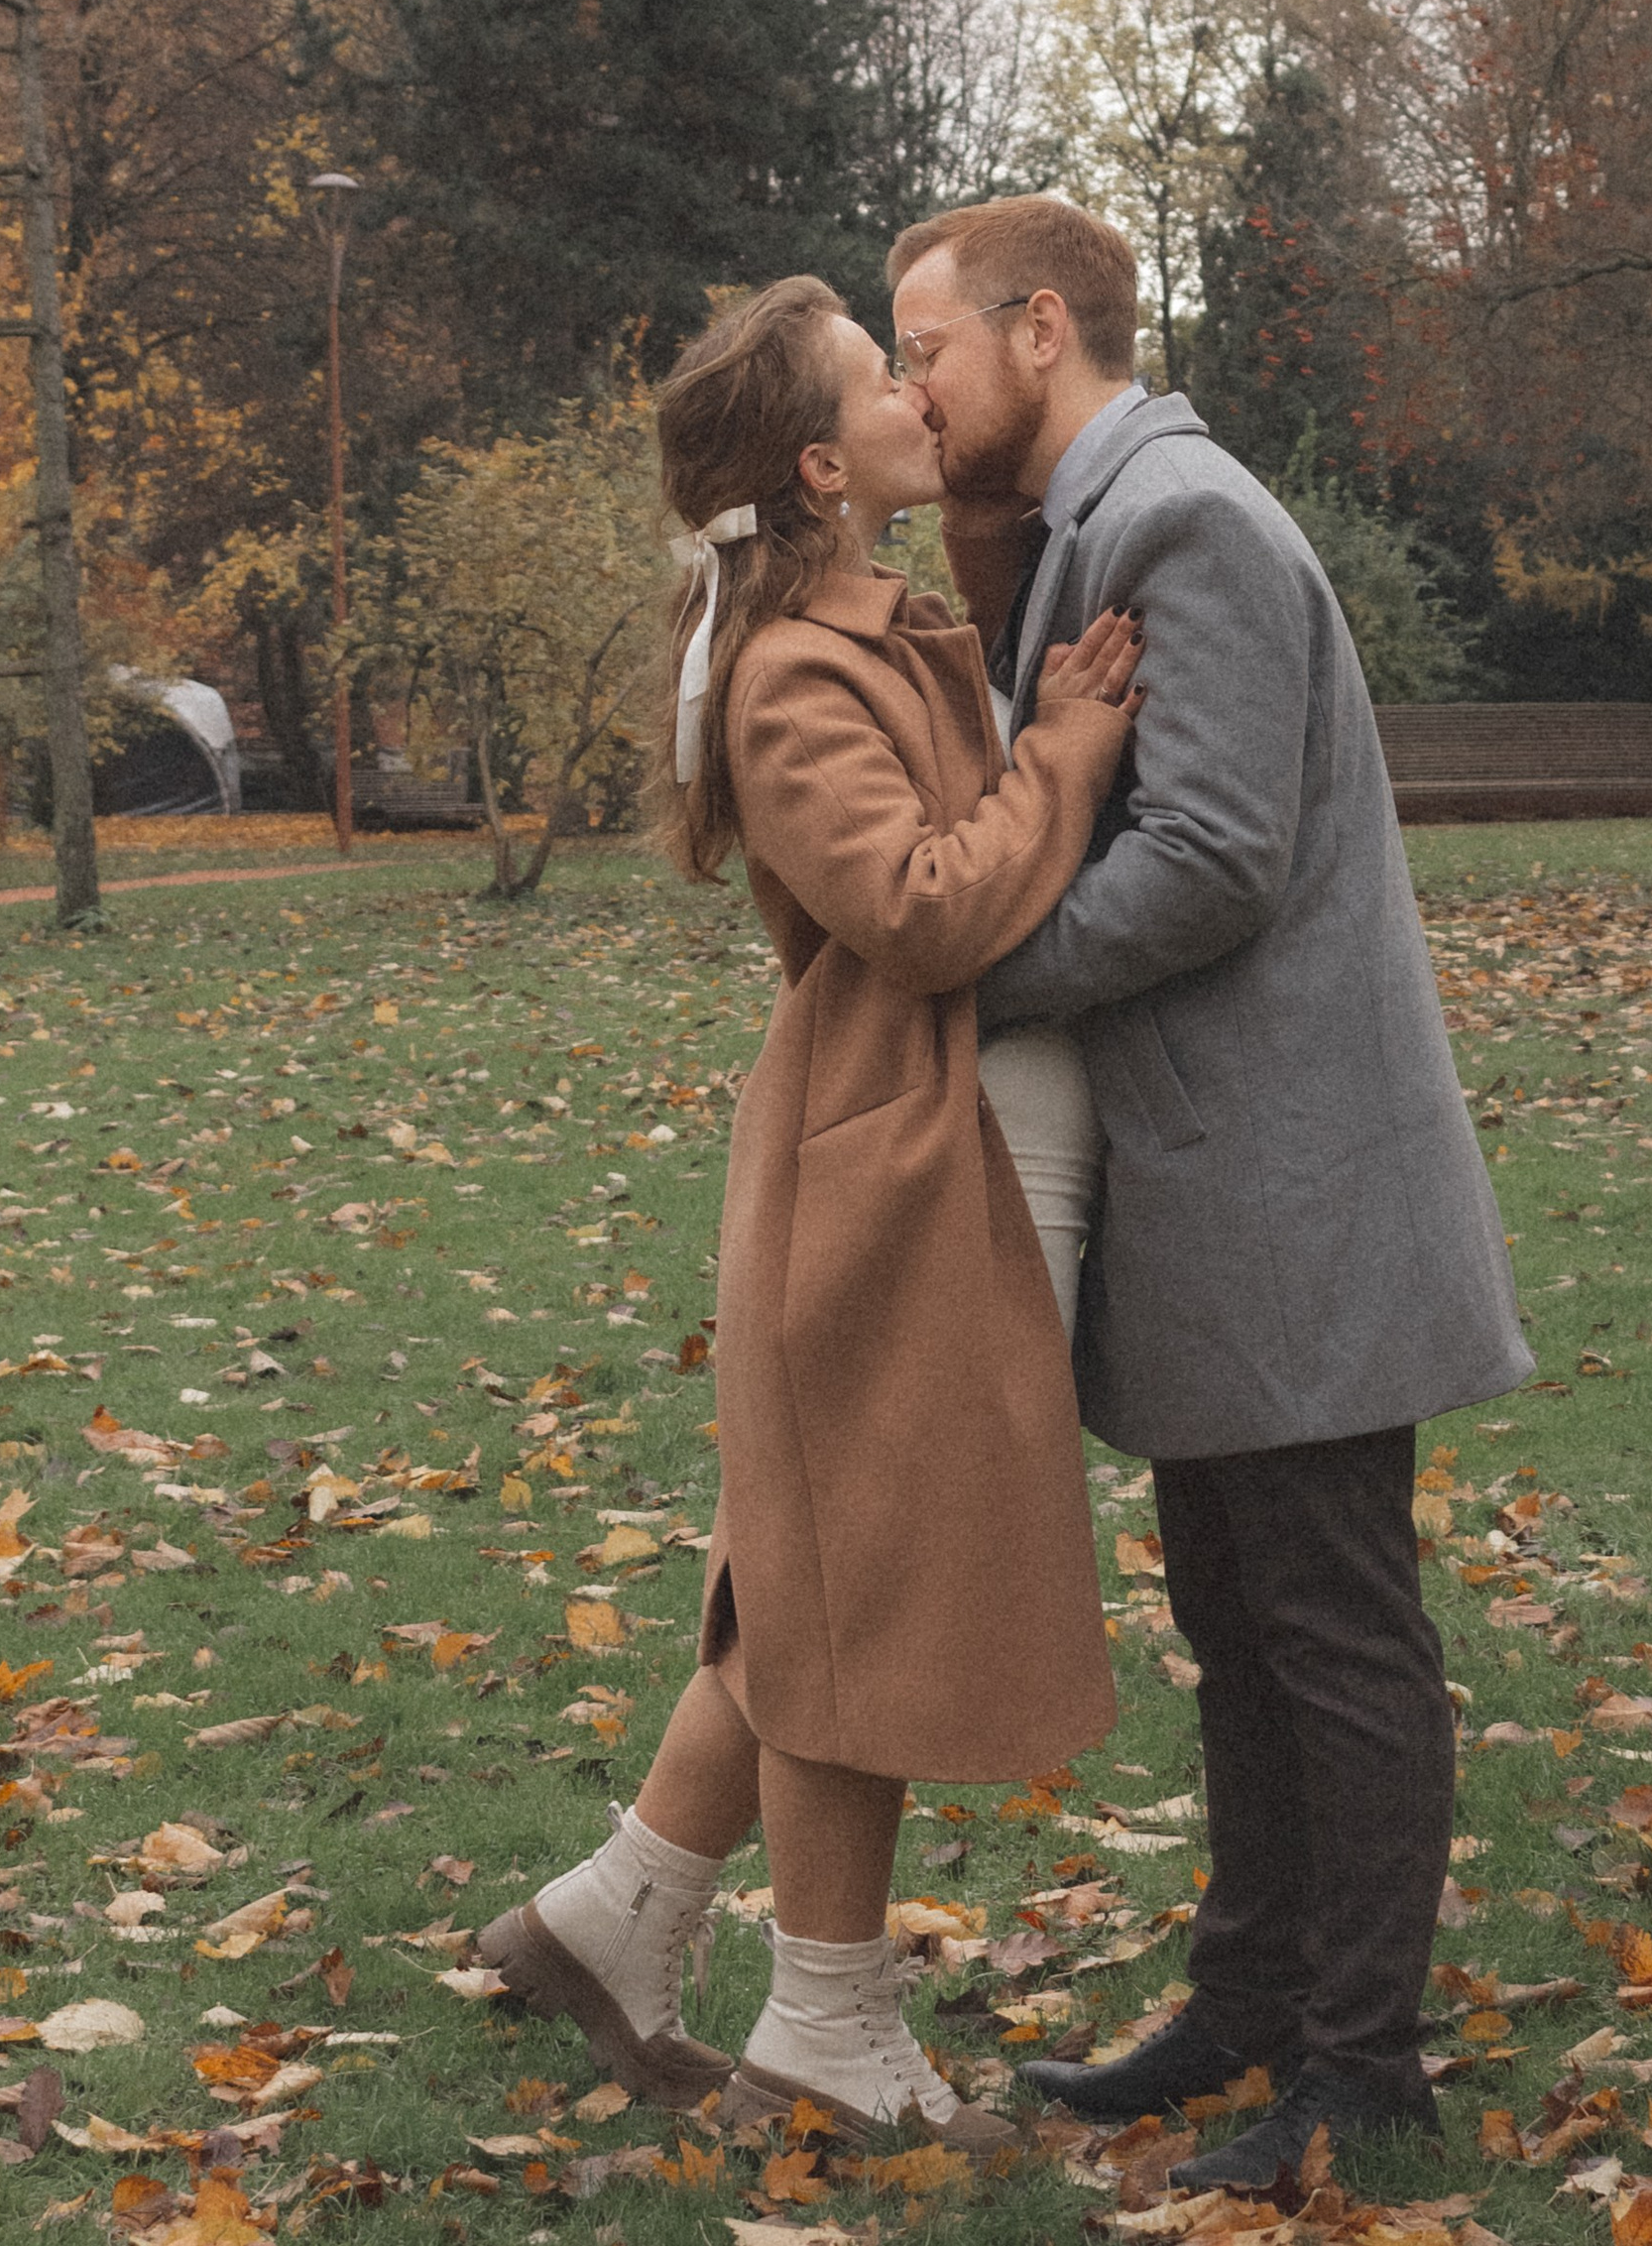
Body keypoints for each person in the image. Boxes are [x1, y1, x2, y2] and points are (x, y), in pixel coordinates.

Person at [884, 193, 1533, 2189]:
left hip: (1294, 1193)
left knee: (1330, 1633)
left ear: (1042, 326)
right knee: (1240, 1625)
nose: (909, 395)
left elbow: (1215, 862)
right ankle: (1251, 2007)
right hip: (1220, 1197)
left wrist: (973, 971)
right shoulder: (1091, 525)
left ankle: (1360, 2069)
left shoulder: (1181, 524)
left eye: (926, 350)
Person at [476, 275, 1142, 2150]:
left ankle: (615, 1921)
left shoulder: (869, 614)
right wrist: (1071, 764)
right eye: (884, 377)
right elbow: (923, 906)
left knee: (815, 1575)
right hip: (885, 1168)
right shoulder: (790, 676)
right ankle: (831, 2040)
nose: (923, 394)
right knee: (855, 1597)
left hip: (915, 1156)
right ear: (816, 462)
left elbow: (989, 511)